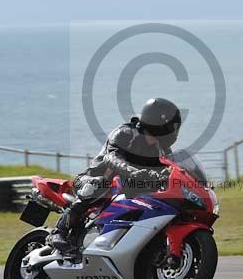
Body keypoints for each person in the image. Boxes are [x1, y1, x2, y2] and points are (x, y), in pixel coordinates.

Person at [47, 98, 182, 255]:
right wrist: (133, 171)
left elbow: (174, 169)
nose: (174, 131)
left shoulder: (162, 150)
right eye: (171, 126)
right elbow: (111, 158)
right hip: (91, 180)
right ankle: (59, 232)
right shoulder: (125, 133)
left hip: (127, 188)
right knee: (100, 184)